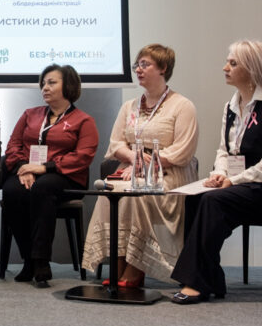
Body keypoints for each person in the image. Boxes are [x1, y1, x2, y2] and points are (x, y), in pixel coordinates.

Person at [171, 40, 262, 304]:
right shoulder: (230, 105)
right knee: (195, 198)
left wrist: (234, 179)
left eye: (232, 63)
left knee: (213, 201)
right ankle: (209, 278)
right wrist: (219, 173)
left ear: (252, 69)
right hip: (243, 184)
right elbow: (224, 150)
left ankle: (196, 282)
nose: (225, 68)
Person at [81, 44, 199, 286]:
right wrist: (134, 157)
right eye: (137, 65)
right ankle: (118, 263)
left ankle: (136, 268)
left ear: (163, 68)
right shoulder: (130, 106)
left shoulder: (182, 106)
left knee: (137, 194)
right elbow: (116, 144)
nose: (138, 69)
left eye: (145, 64)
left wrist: (148, 163)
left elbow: (183, 150)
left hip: (167, 176)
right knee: (110, 193)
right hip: (129, 171)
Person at [2, 64, 98, 284]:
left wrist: (46, 167)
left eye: (52, 83)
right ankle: (28, 259)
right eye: (43, 83)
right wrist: (23, 168)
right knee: (12, 191)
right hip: (28, 171)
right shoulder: (30, 114)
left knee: (43, 187)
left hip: (65, 177)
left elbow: (83, 156)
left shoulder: (83, 120)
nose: (45, 87)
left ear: (69, 86)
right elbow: (13, 145)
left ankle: (41, 260)